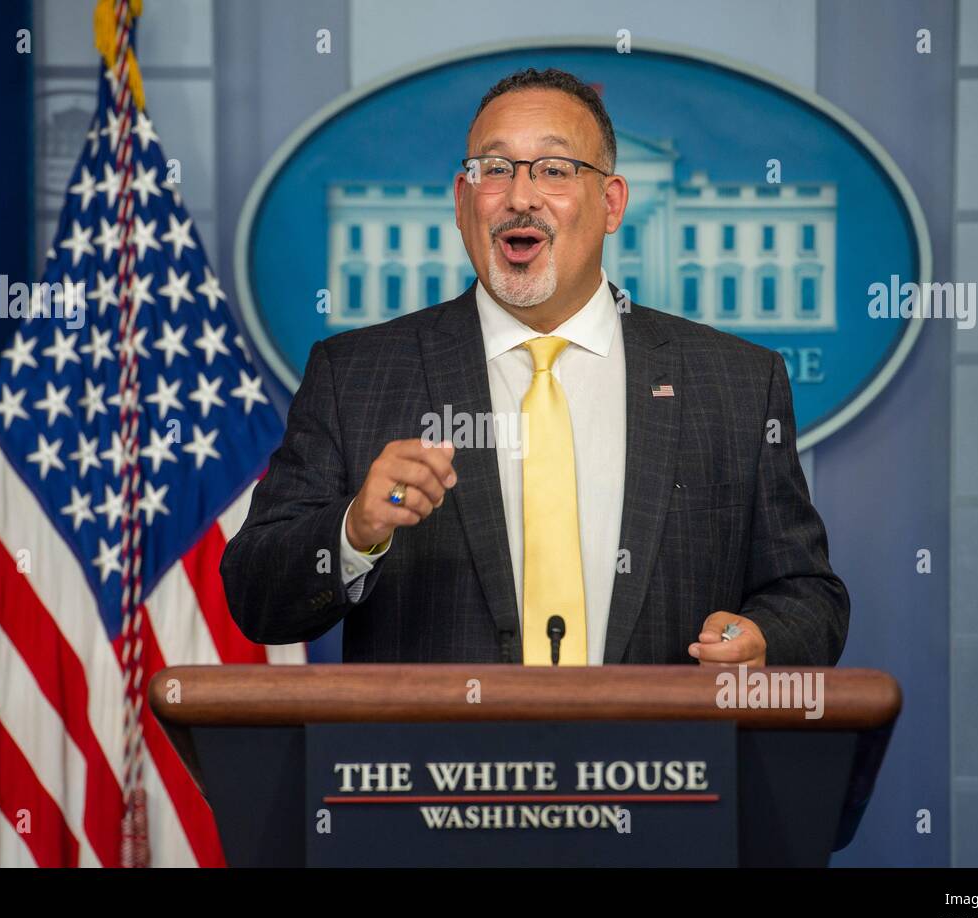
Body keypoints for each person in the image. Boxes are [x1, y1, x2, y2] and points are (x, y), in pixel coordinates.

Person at [220, 67, 849, 666]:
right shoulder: (353, 376)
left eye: (553, 169)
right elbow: (255, 597)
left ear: (611, 203)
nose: (520, 197)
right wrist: (354, 529)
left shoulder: (737, 384)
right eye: (494, 170)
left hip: (662, 767)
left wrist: (763, 637)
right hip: (433, 772)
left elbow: (808, 595)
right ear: (463, 201)